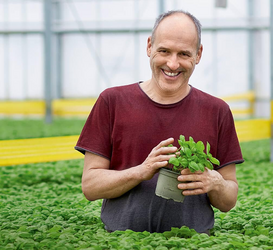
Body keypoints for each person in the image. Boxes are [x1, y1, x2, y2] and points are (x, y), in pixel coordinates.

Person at [75, 10, 244, 234]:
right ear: (149, 47)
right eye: (164, 51)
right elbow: (90, 186)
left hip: (193, 244)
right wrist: (141, 171)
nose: (172, 64)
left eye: (183, 54)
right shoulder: (112, 101)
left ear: (198, 54)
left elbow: (228, 199)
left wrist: (216, 183)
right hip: (121, 243)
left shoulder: (217, 111)